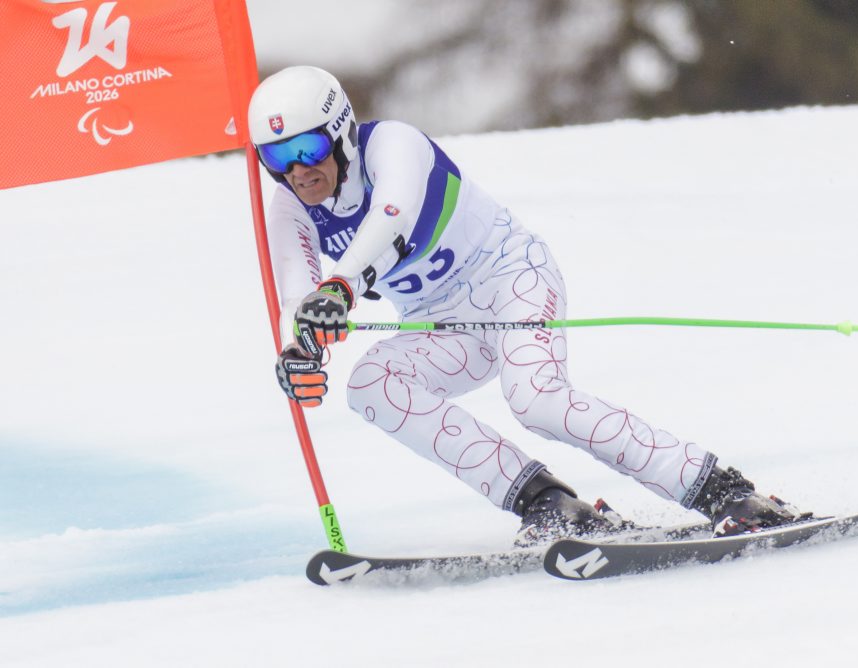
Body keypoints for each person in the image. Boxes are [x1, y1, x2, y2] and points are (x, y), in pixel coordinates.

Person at [248, 66, 806, 545]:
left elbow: (390, 218)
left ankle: (725, 493)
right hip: (447, 326)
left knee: (536, 399)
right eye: (277, 156)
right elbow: (296, 293)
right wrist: (297, 350)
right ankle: (547, 504)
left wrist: (341, 288)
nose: (297, 170)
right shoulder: (291, 205)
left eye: (308, 147)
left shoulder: (393, 144)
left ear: (341, 131)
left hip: (512, 279)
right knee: (372, 385)